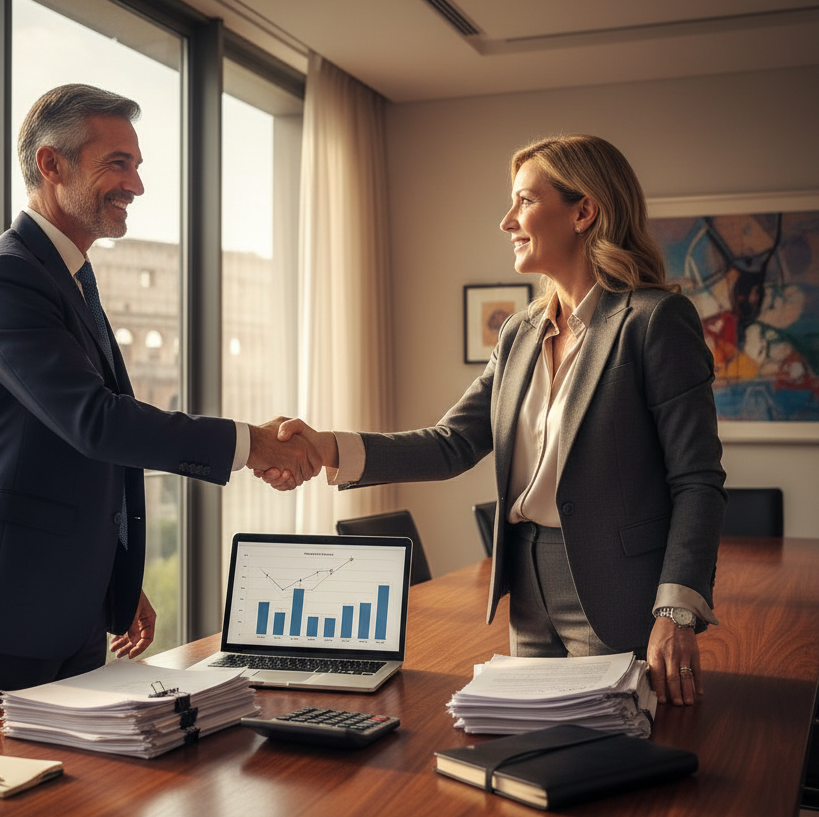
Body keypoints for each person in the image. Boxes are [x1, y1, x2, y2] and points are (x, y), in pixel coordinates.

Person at [0, 83, 321, 725]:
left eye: (136, 165)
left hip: (63, 602)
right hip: (2, 604)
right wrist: (252, 443)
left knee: (75, 808)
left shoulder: (69, 275)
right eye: (117, 164)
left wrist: (115, 580)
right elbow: (97, 423)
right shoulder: (5, 278)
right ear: (52, 165)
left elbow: (75, 452)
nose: (135, 185)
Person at [271, 135, 727, 707]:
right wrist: (327, 446)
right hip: (527, 583)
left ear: (584, 211)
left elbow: (697, 481)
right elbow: (451, 444)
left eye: (525, 201)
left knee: (618, 758)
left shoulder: (654, 320)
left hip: (620, 589)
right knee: (531, 741)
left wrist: (675, 610)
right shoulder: (519, 334)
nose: (507, 220)